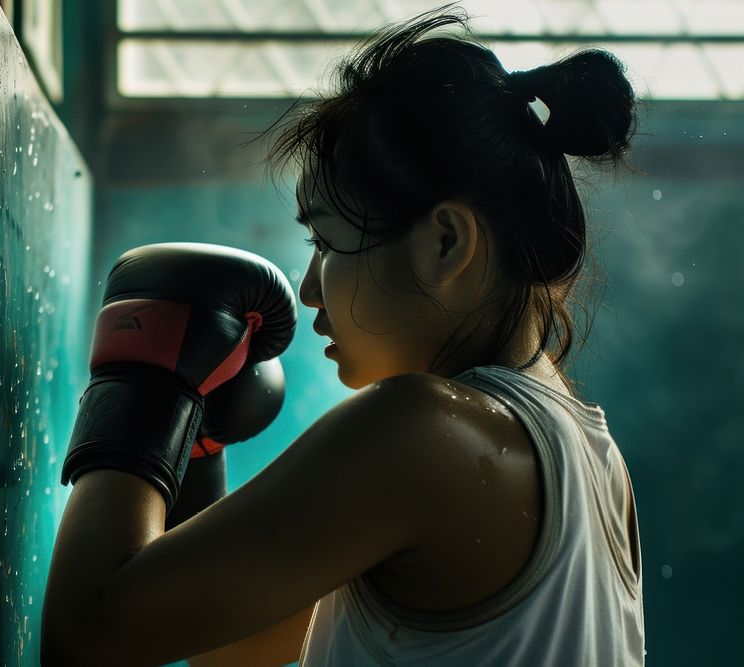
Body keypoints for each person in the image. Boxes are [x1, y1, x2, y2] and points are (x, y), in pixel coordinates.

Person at [41, 6, 645, 666]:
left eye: (327, 241)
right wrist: (195, 447)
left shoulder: (424, 430)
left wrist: (143, 387)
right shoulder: (597, 460)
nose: (307, 287)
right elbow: (236, 649)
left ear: (445, 243)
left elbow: (87, 635)